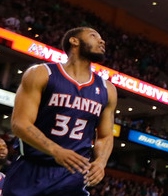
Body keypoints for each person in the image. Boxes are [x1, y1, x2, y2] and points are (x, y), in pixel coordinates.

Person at [3, 27, 118, 196]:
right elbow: (20, 123)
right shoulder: (42, 74)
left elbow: (105, 135)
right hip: (31, 168)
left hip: (71, 176)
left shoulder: (107, 89)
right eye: (94, 36)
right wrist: (56, 151)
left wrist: (100, 162)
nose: (102, 41)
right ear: (74, 41)